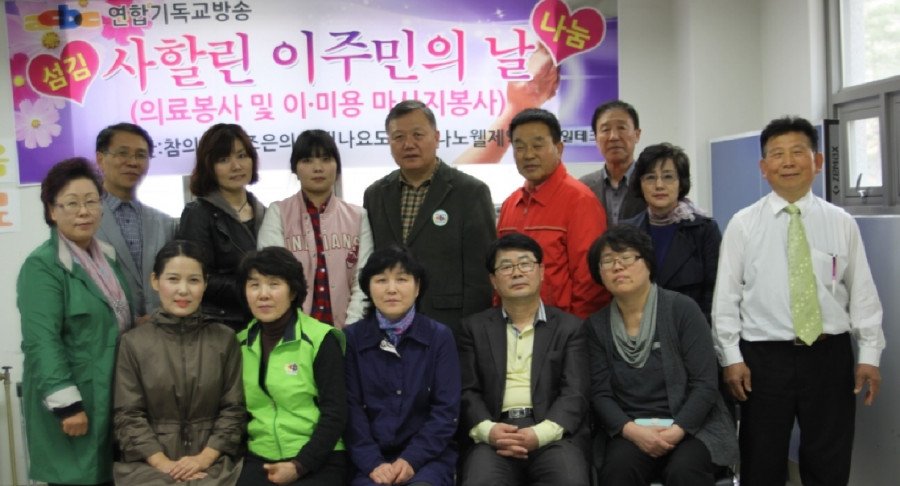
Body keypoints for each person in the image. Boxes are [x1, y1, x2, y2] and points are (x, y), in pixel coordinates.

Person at [712, 116, 884, 486]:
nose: (788, 162)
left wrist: (870, 353)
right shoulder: (743, 224)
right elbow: (725, 299)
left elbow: (862, 292)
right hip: (762, 359)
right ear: (763, 168)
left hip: (828, 355)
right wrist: (731, 358)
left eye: (797, 152)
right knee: (761, 460)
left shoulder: (841, 222)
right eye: (777, 154)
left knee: (829, 460)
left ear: (817, 161)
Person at [586, 225, 737, 485]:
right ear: (599, 272)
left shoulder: (682, 310)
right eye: (608, 261)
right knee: (617, 471)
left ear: (648, 263)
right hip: (631, 430)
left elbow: (705, 384)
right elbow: (600, 394)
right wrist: (633, 431)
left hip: (692, 426)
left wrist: (677, 430)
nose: (618, 267)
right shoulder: (596, 326)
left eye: (626, 258)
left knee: (684, 471)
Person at [17, 158, 132, 486]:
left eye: (91, 201)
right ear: (52, 211)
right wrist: (67, 406)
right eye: (71, 203)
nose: (83, 211)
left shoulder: (107, 257)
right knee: (76, 477)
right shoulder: (43, 266)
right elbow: (41, 342)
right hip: (75, 400)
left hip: (110, 393)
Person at [458, 233, 590, 486]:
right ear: (493, 280)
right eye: (506, 267)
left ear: (542, 271)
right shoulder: (473, 329)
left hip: (553, 434)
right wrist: (489, 431)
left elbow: (575, 393)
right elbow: (467, 391)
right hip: (495, 433)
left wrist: (539, 434)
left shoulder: (569, 327)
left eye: (525, 264)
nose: (517, 272)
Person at [113, 240, 245, 485]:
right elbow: (128, 415)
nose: (183, 290)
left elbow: (233, 410)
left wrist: (202, 460)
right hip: (147, 465)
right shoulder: (133, 343)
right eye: (173, 279)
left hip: (215, 464)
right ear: (155, 281)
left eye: (193, 280)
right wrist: (164, 465)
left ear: (205, 284)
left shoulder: (224, 339)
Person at [363, 100, 496, 336]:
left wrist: (471, 334)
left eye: (418, 135)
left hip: (449, 326)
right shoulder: (375, 195)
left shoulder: (470, 192)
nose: (408, 144)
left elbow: (480, 276)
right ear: (389, 142)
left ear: (436, 137)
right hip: (389, 325)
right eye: (399, 137)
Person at [344, 245, 460, 486]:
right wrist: (372, 462)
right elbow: (350, 410)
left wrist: (411, 459)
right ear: (368, 288)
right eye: (381, 280)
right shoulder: (351, 339)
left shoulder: (439, 337)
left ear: (417, 288)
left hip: (428, 457)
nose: (391, 289)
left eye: (402, 279)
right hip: (369, 460)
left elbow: (445, 411)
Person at [236, 247, 348, 485]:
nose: (263, 294)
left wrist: (299, 465)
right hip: (260, 456)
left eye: (274, 284)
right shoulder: (240, 344)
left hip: (320, 457)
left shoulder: (320, 339)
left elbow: (336, 413)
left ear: (293, 291)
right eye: (254, 285)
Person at [497, 107, 610, 318]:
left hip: (562, 328)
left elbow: (590, 281)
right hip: (513, 325)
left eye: (537, 145)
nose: (528, 155)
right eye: (519, 147)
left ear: (559, 148)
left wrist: (574, 329)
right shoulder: (510, 205)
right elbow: (499, 272)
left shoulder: (580, 201)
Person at [257, 129, 372, 328]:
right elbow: (272, 276)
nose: (318, 168)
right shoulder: (278, 213)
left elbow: (363, 279)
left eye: (326, 159)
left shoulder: (358, 216)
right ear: (295, 168)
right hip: (293, 330)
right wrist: (295, 329)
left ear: (337, 166)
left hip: (346, 331)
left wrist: (350, 330)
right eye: (307, 160)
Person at [620, 143, 721, 323]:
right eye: (650, 177)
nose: (659, 185)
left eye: (668, 177)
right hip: (637, 329)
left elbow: (714, 294)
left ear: (681, 183)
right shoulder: (625, 232)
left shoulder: (704, 230)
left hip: (689, 328)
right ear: (640, 184)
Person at [178, 123, 265, 331]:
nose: (236, 166)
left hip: (265, 322)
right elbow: (197, 277)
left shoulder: (266, 212)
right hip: (221, 326)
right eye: (223, 159)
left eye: (242, 156)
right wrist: (253, 287)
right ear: (209, 166)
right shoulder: (198, 213)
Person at [94, 122, 177, 325]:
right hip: (104, 335)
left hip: (161, 333)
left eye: (141, 155)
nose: (132, 162)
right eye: (122, 153)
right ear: (100, 159)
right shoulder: (83, 221)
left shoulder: (165, 223)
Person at [579, 100, 646, 226]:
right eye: (605, 130)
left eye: (621, 128)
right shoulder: (583, 187)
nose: (613, 136)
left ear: (637, 135)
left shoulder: (650, 182)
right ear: (596, 138)